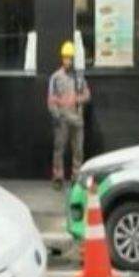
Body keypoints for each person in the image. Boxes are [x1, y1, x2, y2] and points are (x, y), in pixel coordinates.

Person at [48, 40, 92, 190]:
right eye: (66, 57)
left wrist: (79, 99)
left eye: (71, 57)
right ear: (62, 58)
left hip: (77, 120)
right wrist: (57, 115)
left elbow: (87, 94)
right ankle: (58, 177)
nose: (68, 60)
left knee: (78, 150)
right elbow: (51, 100)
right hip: (63, 120)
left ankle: (76, 177)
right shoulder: (56, 78)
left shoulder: (79, 77)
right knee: (59, 149)